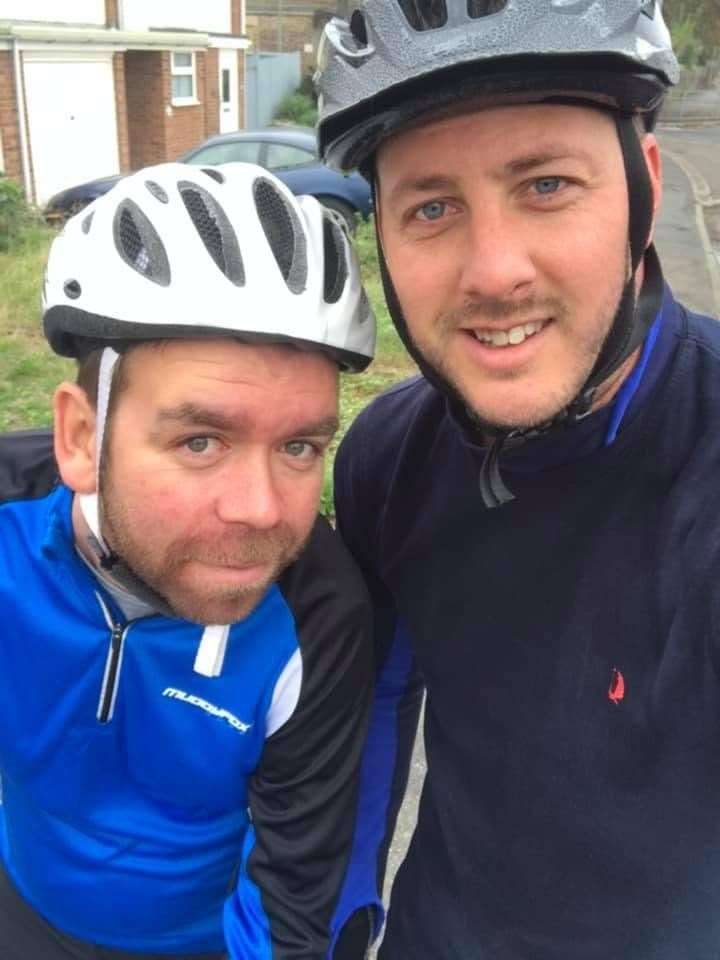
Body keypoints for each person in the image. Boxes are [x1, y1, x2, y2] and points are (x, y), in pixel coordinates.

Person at [316, 2, 720, 957]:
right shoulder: (385, 458)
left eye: (545, 183)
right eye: (431, 207)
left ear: (642, 186)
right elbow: (375, 706)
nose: (493, 273)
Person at [0, 162, 379, 959]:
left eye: (301, 446)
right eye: (200, 441)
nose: (263, 510)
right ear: (79, 439)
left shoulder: (319, 615)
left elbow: (294, 894)